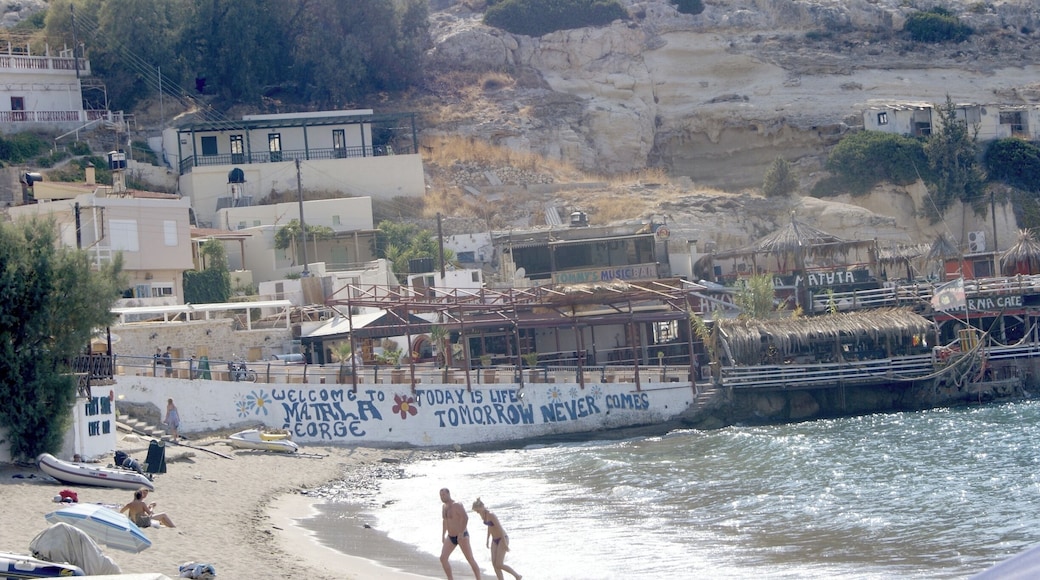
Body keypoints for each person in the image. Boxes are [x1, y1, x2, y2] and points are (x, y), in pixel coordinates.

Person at [471, 499, 521, 580]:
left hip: (502, 538)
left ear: (482, 507)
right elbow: (489, 526)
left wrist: (505, 543)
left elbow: (500, 528)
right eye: (476, 511)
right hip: (494, 540)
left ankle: (517, 576)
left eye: (477, 510)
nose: (477, 512)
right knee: (494, 564)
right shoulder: (483, 515)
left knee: (499, 564)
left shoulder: (491, 515)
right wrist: (487, 539)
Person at [440, 488, 481, 579]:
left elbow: (465, 518)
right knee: (443, 558)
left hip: (462, 536)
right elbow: (445, 521)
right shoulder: (444, 507)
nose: (442, 497)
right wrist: (443, 535)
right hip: (451, 537)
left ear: (448, 494)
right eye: (441, 495)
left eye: (444, 495)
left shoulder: (457, 505)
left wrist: (461, 533)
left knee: (470, 559)